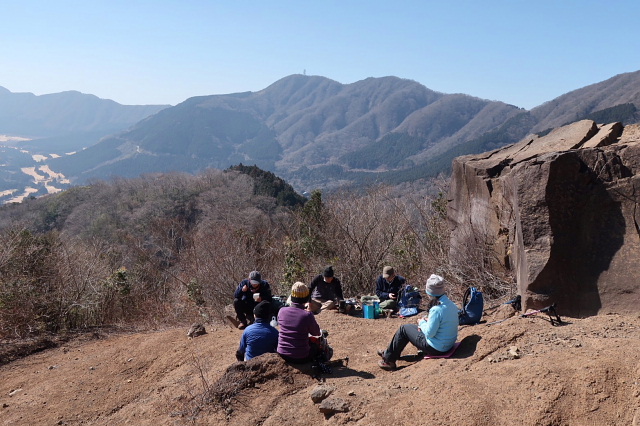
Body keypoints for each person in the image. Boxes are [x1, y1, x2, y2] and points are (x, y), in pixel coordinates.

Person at [377, 274, 458, 371]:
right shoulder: (451, 304)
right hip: (448, 344)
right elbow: (444, 321)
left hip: (436, 348)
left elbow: (429, 333)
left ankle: (388, 360)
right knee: (410, 328)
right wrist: (427, 322)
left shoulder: (436, 309)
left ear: (430, 292)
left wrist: (422, 323)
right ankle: (389, 353)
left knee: (404, 329)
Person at [277, 282, 322, 363]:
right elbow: (316, 333)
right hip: (301, 356)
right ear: (306, 299)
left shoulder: (282, 311)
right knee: (316, 346)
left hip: (282, 354)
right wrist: (309, 312)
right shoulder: (307, 315)